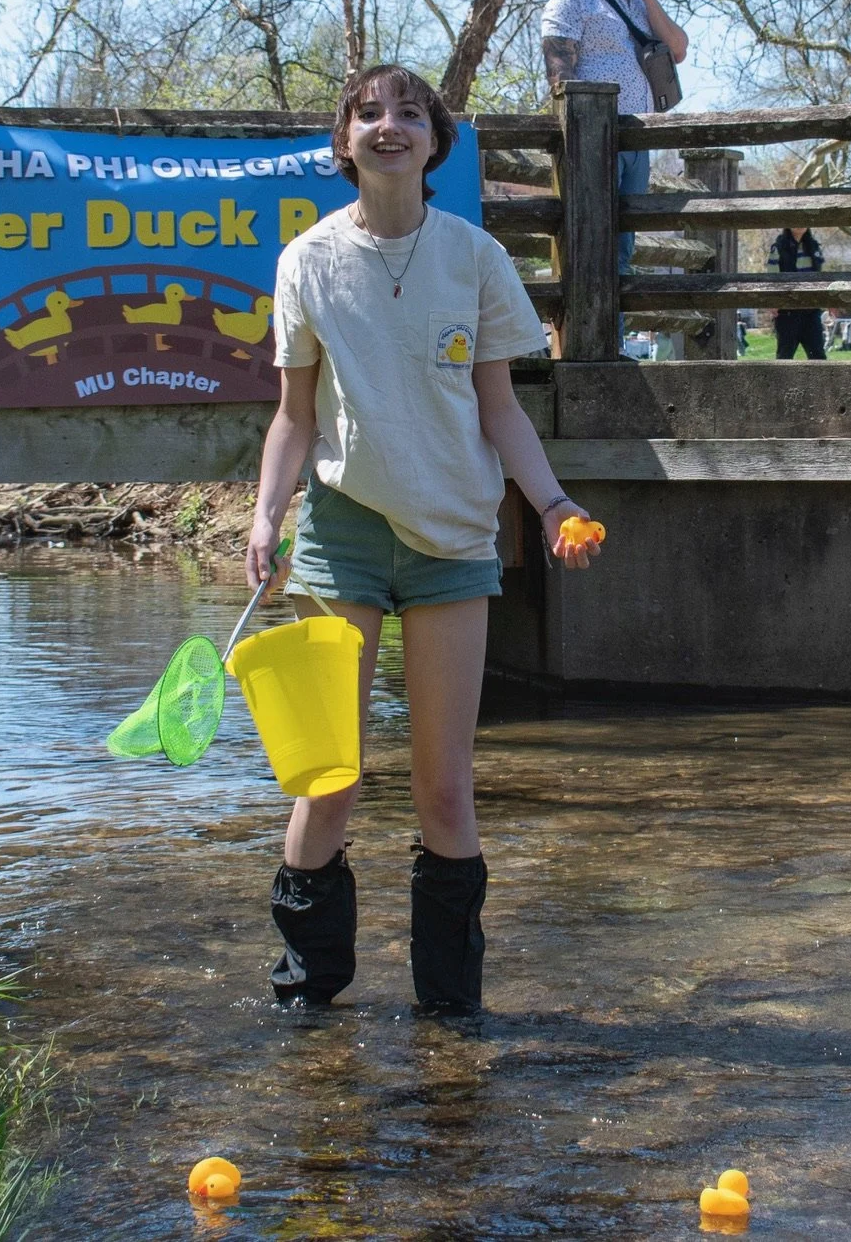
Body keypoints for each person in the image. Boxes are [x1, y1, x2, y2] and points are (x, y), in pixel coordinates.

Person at [246, 64, 602, 1016]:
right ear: (344, 142)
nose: (389, 126)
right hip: (344, 533)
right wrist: (267, 515)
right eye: (369, 114)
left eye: (410, 113)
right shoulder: (306, 261)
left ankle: (449, 1014)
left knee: (445, 789)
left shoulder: (475, 257)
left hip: (453, 534)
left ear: (437, 142)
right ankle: (308, 998)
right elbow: (293, 416)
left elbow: (501, 409)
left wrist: (553, 504)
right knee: (330, 778)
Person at [539, 0, 691, 296]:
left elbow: (677, 48)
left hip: (637, 138)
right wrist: (580, 140)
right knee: (593, 245)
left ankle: (617, 332)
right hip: (595, 138)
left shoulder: (638, 0)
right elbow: (559, 75)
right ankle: (596, 332)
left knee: (622, 249)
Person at [769, 227, 827, 359]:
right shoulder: (778, 247)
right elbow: (772, 277)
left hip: (811, 310)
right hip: (787, 311)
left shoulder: (814, 247)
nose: (800, 225)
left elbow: (821, 277)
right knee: (785, 355)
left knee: (818, 355)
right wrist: (773, 301)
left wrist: (827, 300)